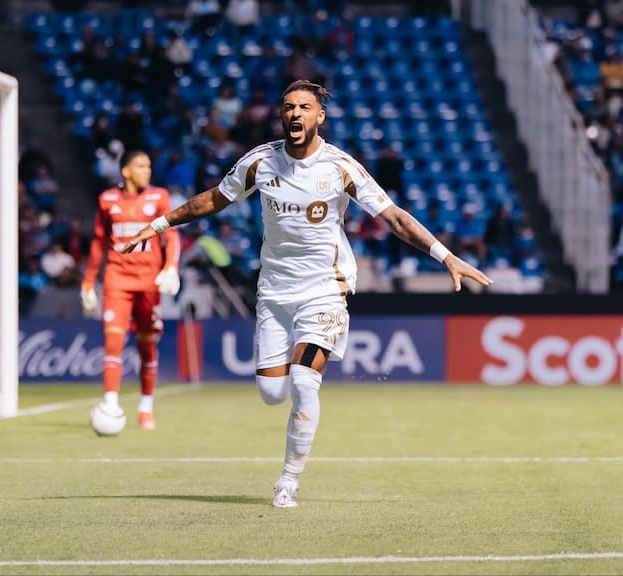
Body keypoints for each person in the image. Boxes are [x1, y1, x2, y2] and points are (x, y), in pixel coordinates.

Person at [121, 80, 493, 507]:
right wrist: (159, 225)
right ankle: (289, 432)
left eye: (304, 108)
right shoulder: (260, 163)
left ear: (320, 117)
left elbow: (393, 217)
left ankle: (288, 481)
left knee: (303, 381)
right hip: (274, 292)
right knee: (272, 393)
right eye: (288, 107)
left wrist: (445, 256)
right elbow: (212, 201)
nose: (295, 114)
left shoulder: (339, 168)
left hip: (324, 289)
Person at [81, 150, 181, 431]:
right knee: (113, 341)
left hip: (149, 282)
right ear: (125, 171)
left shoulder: (159, 197)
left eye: (149, 165)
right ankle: (110, 404)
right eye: (140, 166)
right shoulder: (107, 200)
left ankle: (145, 407)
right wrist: (88, 280)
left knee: (147, 345)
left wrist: (171, 266)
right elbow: (99, 243)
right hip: (117, 280)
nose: (147, 170)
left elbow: (171, 235)